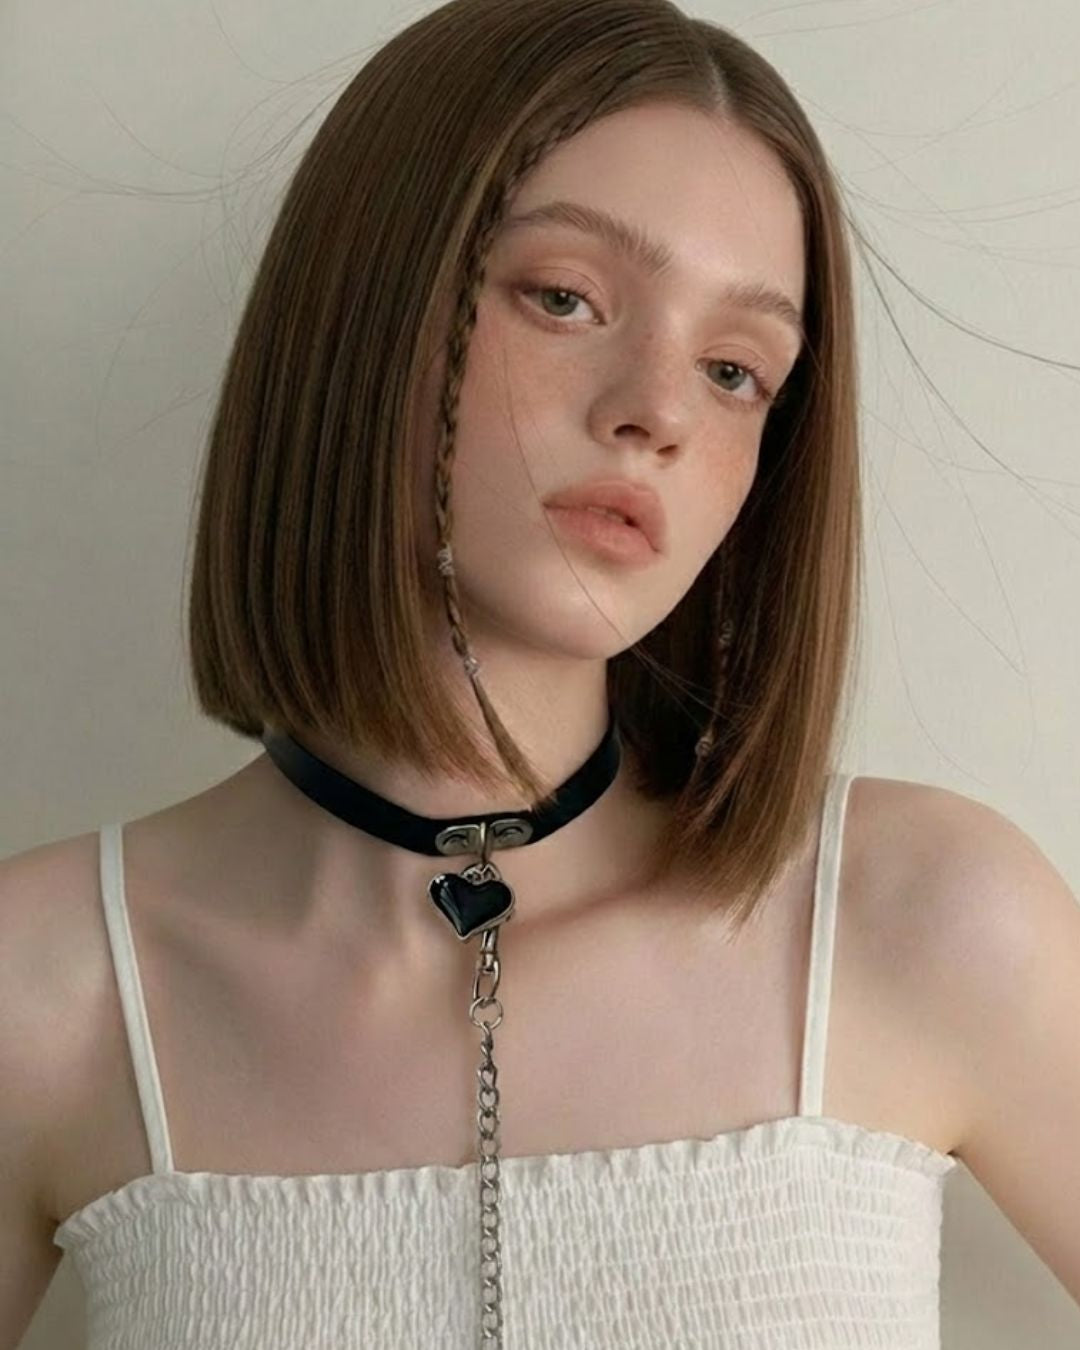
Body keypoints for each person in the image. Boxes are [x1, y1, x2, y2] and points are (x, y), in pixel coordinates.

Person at [4, 0, 1079, 1346]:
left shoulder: (927, 919)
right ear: (362, 311)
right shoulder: (48, 988)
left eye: (735, 369)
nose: (658, 411)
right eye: (564, 298)